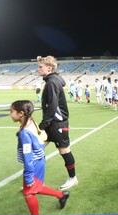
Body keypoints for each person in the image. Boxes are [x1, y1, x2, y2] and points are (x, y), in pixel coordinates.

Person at [10, 100, 70, 215]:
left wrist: (28, 174)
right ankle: (62, 195)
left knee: (28, 192)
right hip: (39, 160)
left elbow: (27, 155)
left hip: (33, 164)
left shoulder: (25, 132)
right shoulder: (31, 122)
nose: (10, 114)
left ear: (21, 114)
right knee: (35, 187)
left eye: (11, 112)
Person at [37, 56, 78, 191]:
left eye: (40, 66)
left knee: (64, 150)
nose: (38, 69)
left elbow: (53, 107)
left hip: (57, 123)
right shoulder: (52, 81)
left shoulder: (52, 82)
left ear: (49, 67)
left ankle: (73, 178)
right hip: (53, 123)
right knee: (37, 149)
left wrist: (42, 125)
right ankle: (36, 181)